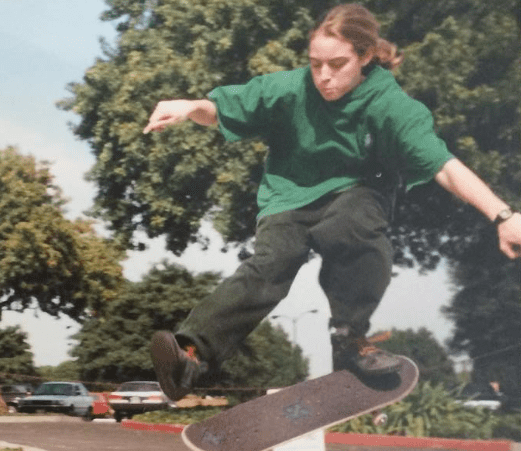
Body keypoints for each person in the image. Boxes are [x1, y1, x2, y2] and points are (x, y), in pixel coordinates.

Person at [143, 3, 521, 402]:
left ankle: (349, 338)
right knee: (271, 262)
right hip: (288, 195)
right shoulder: (288, 88)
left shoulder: (391, 106)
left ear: (366, 56)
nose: (324, 76)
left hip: (357, 191)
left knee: (352, 225)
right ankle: (191, 354)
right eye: (315, 64)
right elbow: (221, 111)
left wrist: (503, 215)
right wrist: (191, 107)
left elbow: (444, 167)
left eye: (337, 65)